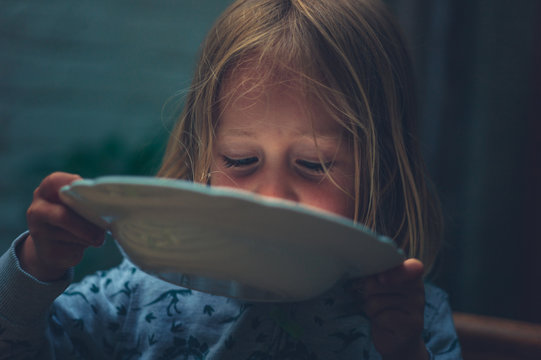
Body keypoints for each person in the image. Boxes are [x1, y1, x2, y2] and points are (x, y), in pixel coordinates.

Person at [0, 0, 462, 358]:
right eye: (241, 160)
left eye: (314, 164)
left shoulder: (409, 319)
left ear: (381, 172)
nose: (272, 197)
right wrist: (36, 265)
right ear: (201, 156)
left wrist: (403, 352)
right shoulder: (132, 297)